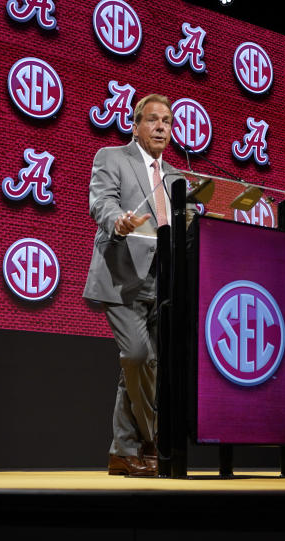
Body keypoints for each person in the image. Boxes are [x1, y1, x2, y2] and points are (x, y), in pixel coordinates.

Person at [83, 94, 178, 477]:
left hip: (165, 280)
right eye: (153, 119)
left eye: (167, 121)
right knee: (139, 356)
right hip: (122, 277)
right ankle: (153, 440)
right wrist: (117, 221)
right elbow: (101, 202)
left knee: (136, 370)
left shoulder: (176, 176)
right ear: (135, 124)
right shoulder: (112, 157)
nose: (161, 127)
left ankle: (124, 451)